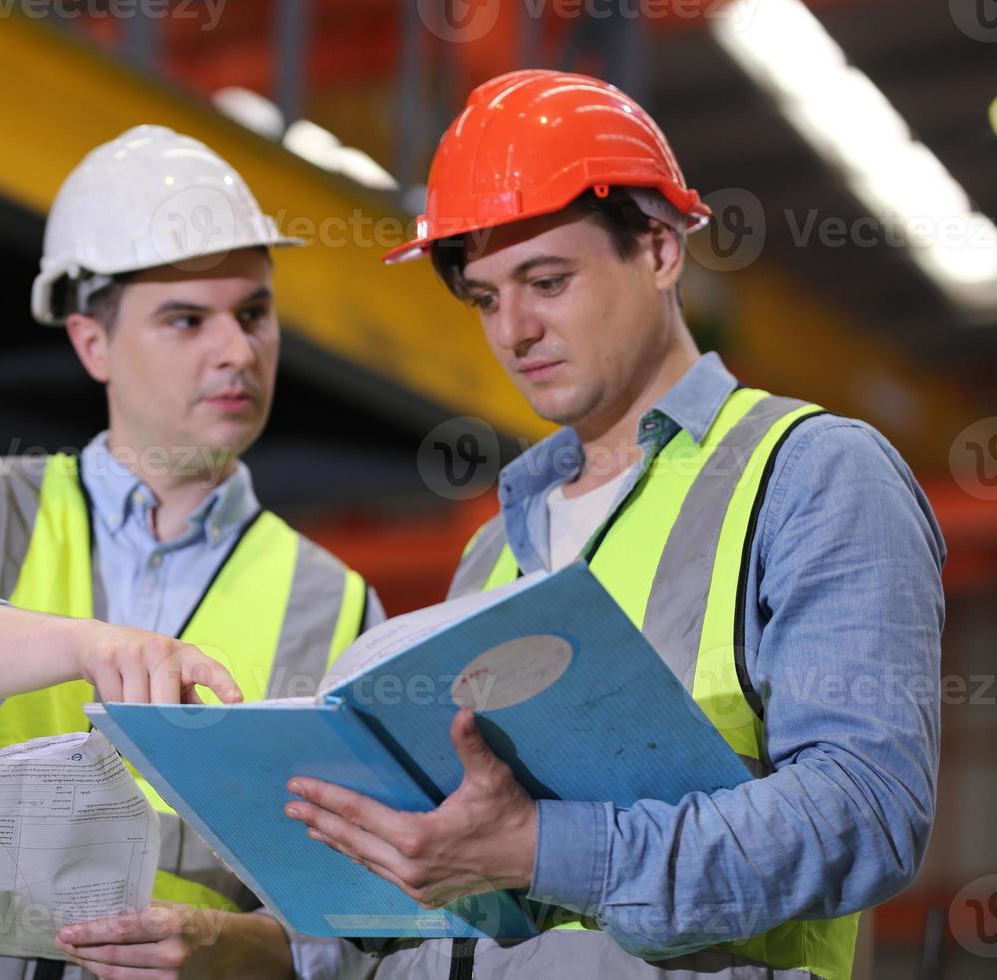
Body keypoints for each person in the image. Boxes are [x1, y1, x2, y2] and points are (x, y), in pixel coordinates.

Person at [283, 69, 943, 980]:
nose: (513, 330)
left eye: (546, 280)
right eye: (484, 298)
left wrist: (541, 848)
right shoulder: (492, 551)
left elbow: (864, 815)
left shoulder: (812, 475)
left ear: (662, 250)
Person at [0, 125, 384, 980]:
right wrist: (90, 646)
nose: (236, 350)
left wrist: (244, 951)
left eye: (254, 313)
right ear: (92, 342)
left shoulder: (337, 607)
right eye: (186, 319)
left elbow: (364, 909)